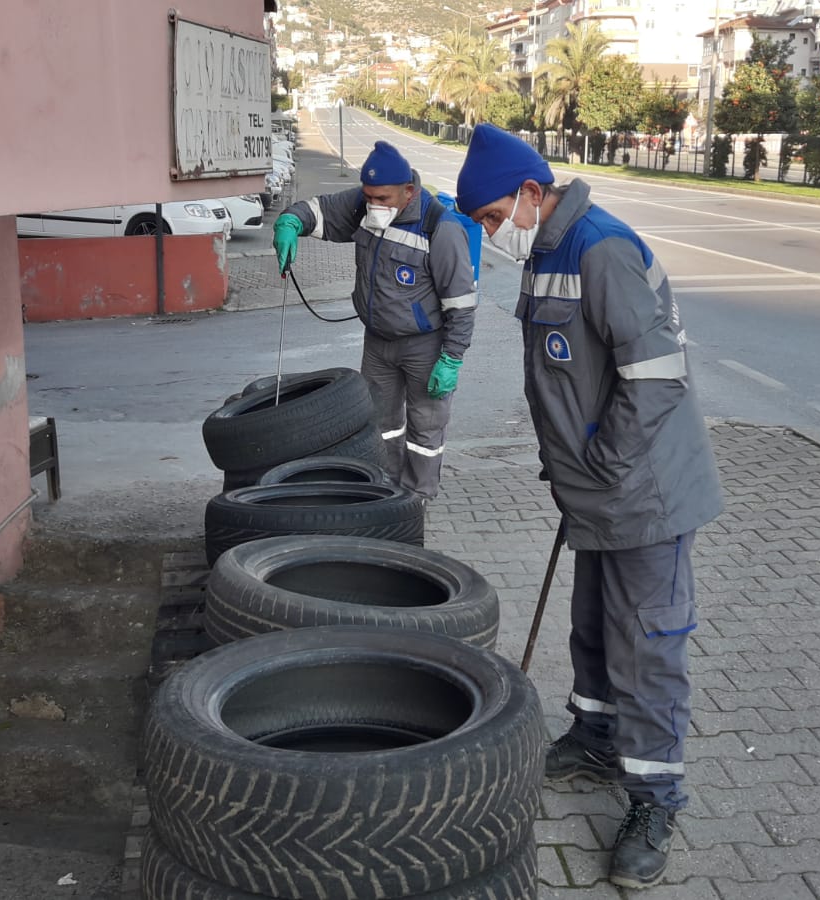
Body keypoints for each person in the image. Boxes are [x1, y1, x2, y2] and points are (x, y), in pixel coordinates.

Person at [455, 124, 724, 889]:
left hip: (645, 490)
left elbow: (657, 376)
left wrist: (601, 464)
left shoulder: (601, 249)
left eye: (494, 217)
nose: (491, 233)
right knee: (593, 630)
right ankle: (598, 738)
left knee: (647, 642)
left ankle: (655, 798)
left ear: (532, 194)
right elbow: (565, 376)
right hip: (595, 490)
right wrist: (566, 466)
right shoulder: (547, 252)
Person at [271, 141, 476, 500]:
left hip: (424, 347)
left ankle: (417, 499)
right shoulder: (362, 205)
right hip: (378, 343)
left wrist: (452, 358)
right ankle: (386, 492)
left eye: (383, 199)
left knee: (425, 429)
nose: (373, 206)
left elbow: (461, 303)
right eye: (369, 197)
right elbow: (319, 210)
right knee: (381, 425)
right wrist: (290, 221)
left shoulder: (438, 228)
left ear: (408, 191)